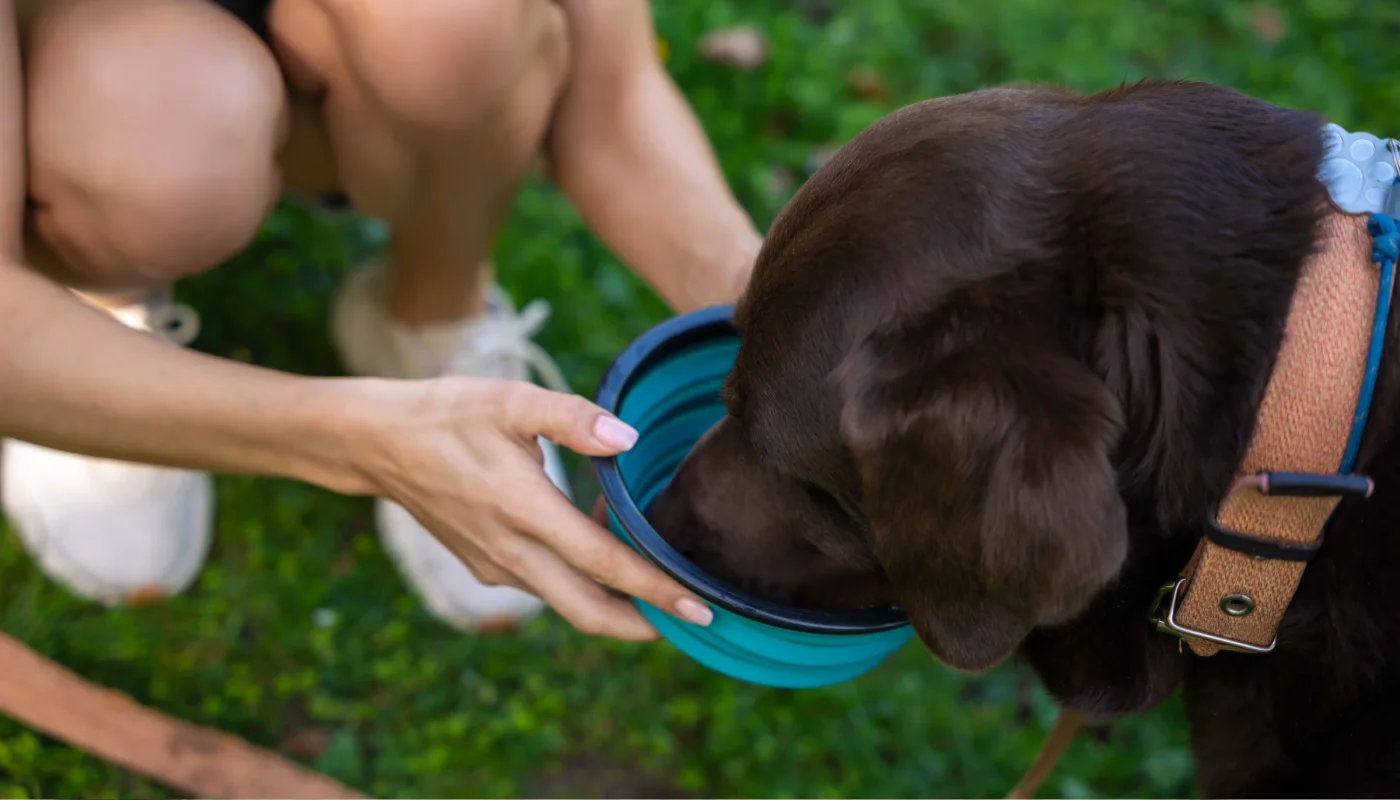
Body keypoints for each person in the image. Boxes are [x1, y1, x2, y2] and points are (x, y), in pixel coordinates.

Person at [0, 0, 763, 640]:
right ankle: (106, 329)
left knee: (452, 22)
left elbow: (609, 86)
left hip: (334, 61)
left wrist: (766, 296)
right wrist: (359, 442)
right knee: (156, 154)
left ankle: (432, 314)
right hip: (90, 73)